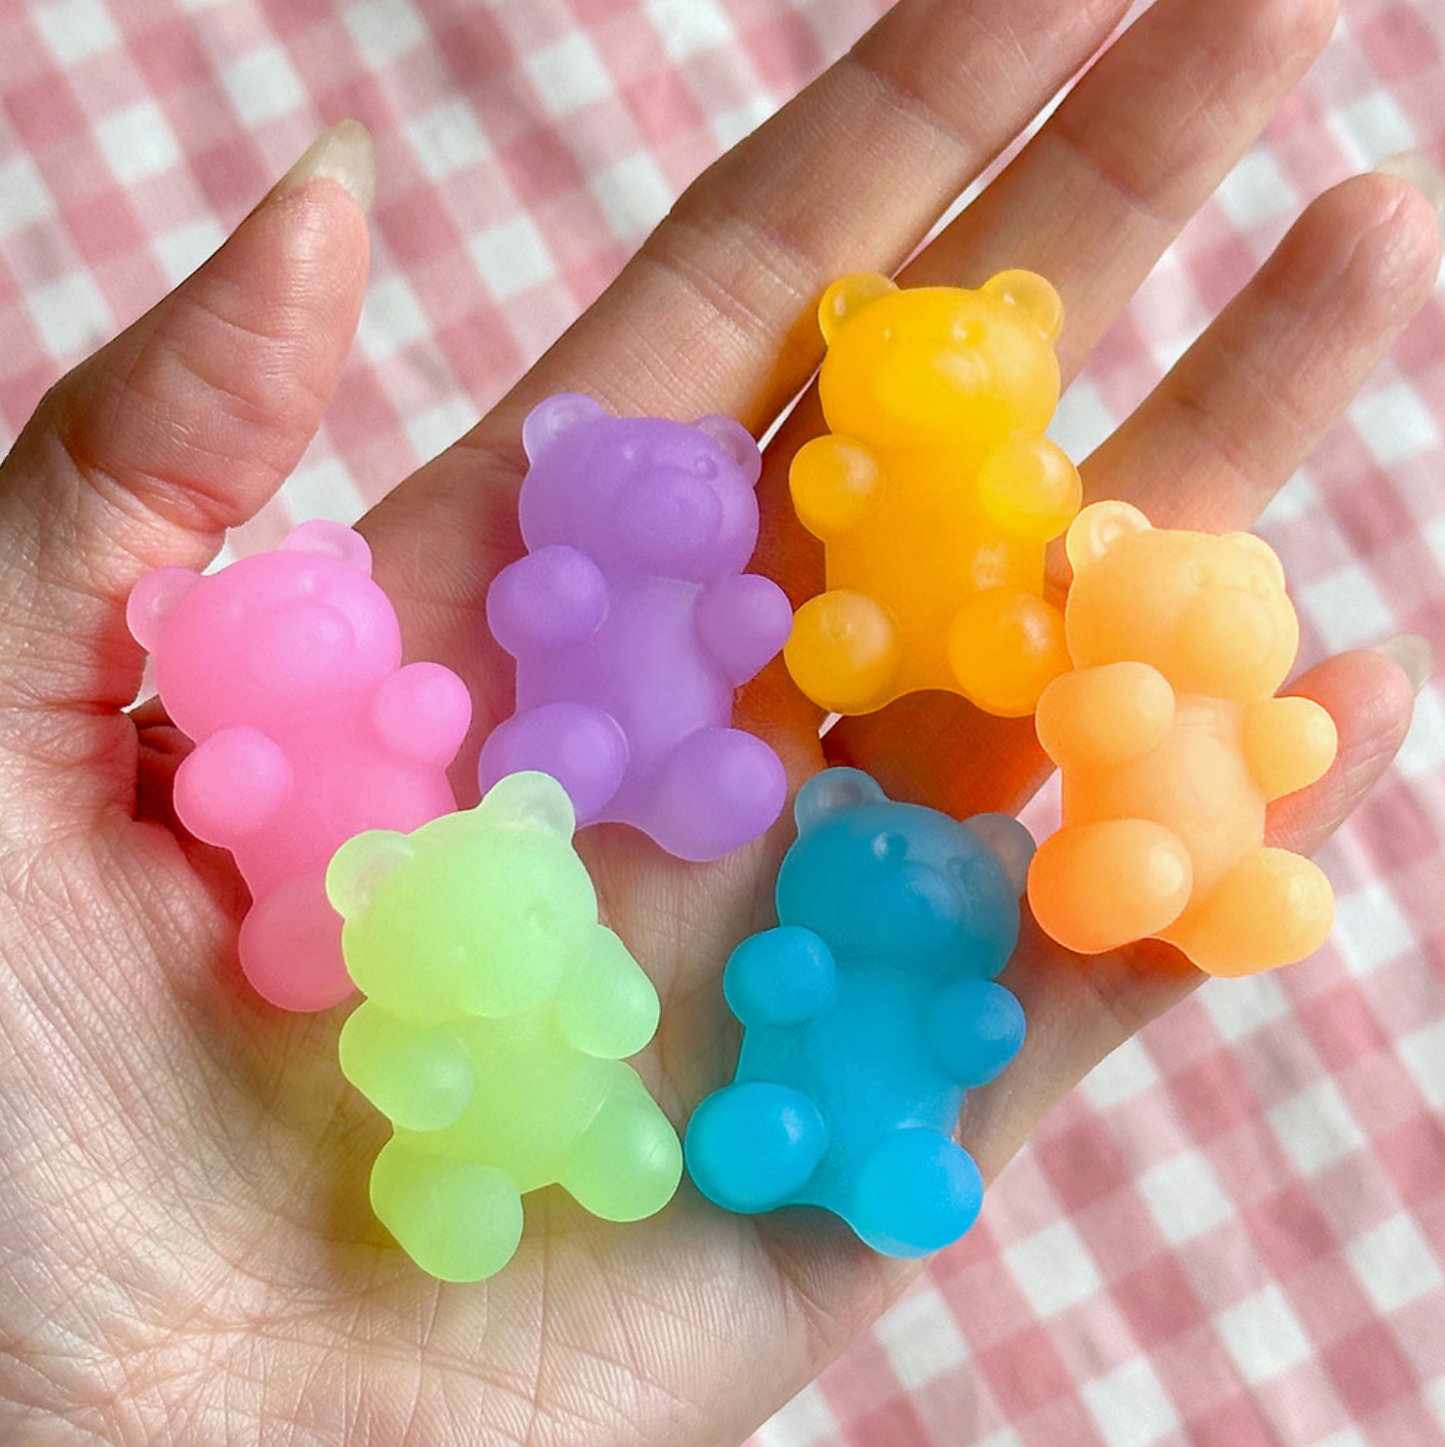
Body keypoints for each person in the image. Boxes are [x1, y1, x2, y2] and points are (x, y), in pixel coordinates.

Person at [0, 0, 1439, 1442]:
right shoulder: (526, 662)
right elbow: (484, 749)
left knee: (781, 786)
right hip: (539, 818)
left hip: (846, 691)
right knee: (522, 918)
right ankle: (673, 1127)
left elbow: (807, 936)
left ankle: (1061, 962)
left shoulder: (974, 600)